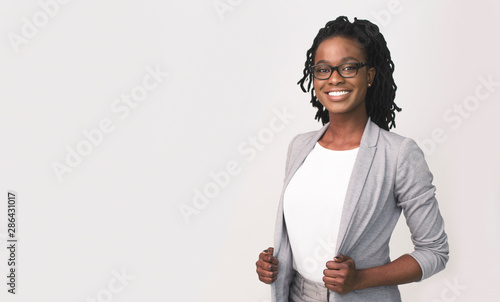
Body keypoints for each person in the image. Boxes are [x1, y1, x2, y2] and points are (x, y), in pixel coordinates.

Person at [255, 16, 449, 302]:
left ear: (369, 75)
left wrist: (361, 278)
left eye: (348, 67)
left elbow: (435, 251)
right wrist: (275, 264)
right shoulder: (300, 146)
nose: (334, 78)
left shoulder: (398, 154)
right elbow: (305, 233)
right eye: (323, 69)